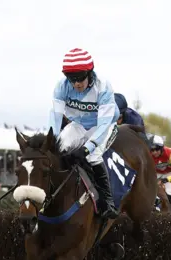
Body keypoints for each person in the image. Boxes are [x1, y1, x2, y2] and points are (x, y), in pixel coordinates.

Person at [49, 48, 120, 219]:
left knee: (93, 155)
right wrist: (50, 142)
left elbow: (103, 125)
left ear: (90, 73)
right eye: (72, 79)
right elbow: (55, 118)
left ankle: (107, 202)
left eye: (80, 78)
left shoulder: (103, 86)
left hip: (104, 125)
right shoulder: (61, 87)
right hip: (79, 124)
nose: (76, 84)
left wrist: (87, 148)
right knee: (59, 150)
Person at [149, 135, 171, 213]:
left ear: (162, 148)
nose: (154, 152)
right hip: (155, 173)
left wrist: (166, 179)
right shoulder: (148, 154)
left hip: (168, 173)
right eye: (152, 150)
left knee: (169, 192)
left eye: (156, 149)